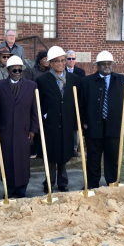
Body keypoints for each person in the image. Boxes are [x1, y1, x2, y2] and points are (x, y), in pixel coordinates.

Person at [79, 50, 124, 189]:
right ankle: (92, 185)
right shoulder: (87, 82)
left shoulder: (123, 80)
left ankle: (112, 182)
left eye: (109, 63)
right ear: (97, 65)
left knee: (112, 156)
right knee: (93, 157)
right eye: (103, 64)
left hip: (115, 127)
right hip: (93, 127)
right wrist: (83, 121)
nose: (106, 66)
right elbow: (80, 104)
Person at [36, 46, 79, 193]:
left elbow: (76, 102)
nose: (60, 64)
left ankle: (62, 181)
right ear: (50, 63)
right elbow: (39, 103)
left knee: (64, 152)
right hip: (50, 123)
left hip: (67, 122)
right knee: (51, 153)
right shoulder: (42, 80)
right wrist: (44, 116)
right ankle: (49, 180)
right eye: (56, 61)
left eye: (62, 60)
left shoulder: (74, 79)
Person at [0, 56, 39, 198]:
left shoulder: (31, 86)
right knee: (7, 160)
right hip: (6, 130)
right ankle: (9, 188)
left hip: (24, 130)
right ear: (8, 70)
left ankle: (21, 189)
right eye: (14, 69)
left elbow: (34, 110)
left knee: (22, 160)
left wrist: (33, 129)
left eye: (20, 69)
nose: (18, 72)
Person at [25, 50, 50, 159]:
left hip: (47, 102)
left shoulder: (51, 72)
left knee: (46, 127)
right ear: (40, 60)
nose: (46, 61)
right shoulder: (32, 71)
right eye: (44, 59)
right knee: (36, 127)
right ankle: (35, 151)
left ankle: (45, 150)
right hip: (35, 102)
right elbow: (27, 86)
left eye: (48, 59)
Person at [66, 49, 86, 156]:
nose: (71, 60)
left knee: (76, 127)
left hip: (76, 103)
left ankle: (74, 148)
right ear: (65, 60)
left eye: (73, 58)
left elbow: (83, 87)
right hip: (65, 103)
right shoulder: (61, 70)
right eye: (69, 58)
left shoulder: (80, 72)